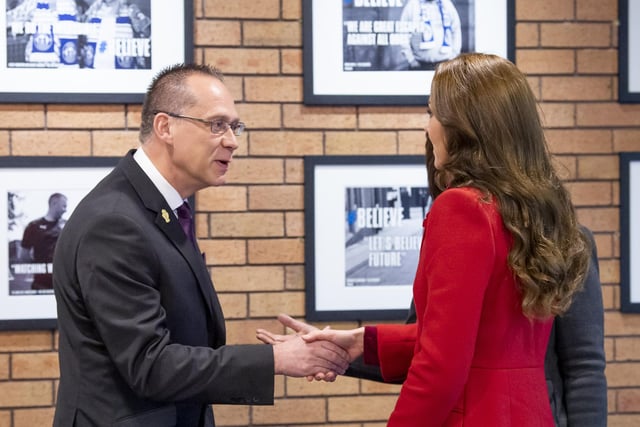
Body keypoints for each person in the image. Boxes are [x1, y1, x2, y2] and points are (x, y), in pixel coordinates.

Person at [258, 53, 592, 426]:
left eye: (432, 113)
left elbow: (442, 367)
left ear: (463, 127)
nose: (428, 128)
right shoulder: (538, 213)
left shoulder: (463, 209)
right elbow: (482, 338)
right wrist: (360, 342)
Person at [52, 63, 350, 427]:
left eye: (235, 126)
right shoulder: (114, 222)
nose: (232, 141)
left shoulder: (165, 209)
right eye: (216, 125)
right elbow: (150, 364)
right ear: (165, 127)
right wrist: (276, 360)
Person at [18, 192, 67, 290]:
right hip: (40, 284)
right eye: (64, 206)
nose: (65, 210)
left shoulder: (67, 226)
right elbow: (23, 256)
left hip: (62, 285)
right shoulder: (33, 226)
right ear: (54, 203)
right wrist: (40, 265)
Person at [399, 0, 462, 69]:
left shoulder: (446, 4)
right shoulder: (412, 5)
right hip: (419, 65)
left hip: (445, 65)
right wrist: (411, 60)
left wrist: (454, 56)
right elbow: (403, 32)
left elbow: (456, 30)